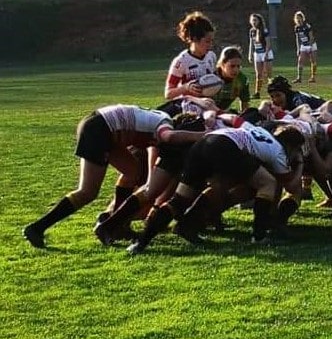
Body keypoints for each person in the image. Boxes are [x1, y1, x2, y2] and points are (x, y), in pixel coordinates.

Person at [22, 105, 205, 248]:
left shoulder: (159, 121)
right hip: (99, 129)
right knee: (87, 192)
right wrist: (202, 136)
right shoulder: (165, 124)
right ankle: (37, 227)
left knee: (133, 172)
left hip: (102, 126)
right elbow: (170, 137)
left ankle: (116, 225)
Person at [125, 124, 305, 254]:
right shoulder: (278, 150)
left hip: (204, 144)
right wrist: (300, 164)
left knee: (179, 200)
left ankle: (142, 243)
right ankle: (259, 236)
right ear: (290, 146)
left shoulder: (261, 132)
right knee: (268, 184)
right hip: (225, 147)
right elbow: (290, 184)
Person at [165, 11, 217, 100]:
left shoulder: (211, 57)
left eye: (212, 41)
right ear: (195, 39)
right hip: (188, 106)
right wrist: (185, 87)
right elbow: (168, 94)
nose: (210, 45)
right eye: (207, 41)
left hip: (208, 104)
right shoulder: (181, 61)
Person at [211, 45, 251, 112]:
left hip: (225, 113)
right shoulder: (211, 76)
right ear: (223, 64)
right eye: (232, 66)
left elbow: (245, 103)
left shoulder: (242, 80)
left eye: (238, 66)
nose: (236, 70)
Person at [248, 13, 274, 99]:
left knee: (268, 74)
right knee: (258, 75)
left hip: (265, 53)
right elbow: (251, 44)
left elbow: (268, 43)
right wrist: (250, 54)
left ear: (259, 21)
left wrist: (266, 54)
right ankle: (257, 93)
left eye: (255, 20)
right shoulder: (252, 31)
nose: (253, 22)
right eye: (252, 20)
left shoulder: (264, 30)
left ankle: (272, 92)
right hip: (257, 54)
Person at [292, 11, 318, 84]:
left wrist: (310, 46)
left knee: (313, 61)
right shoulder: (296, 28)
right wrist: (298, 48)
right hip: (303, 45)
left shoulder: (307, 26)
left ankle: (313, 77)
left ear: (302, 18)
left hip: (311, 45)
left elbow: (311, 37)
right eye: (297, 18)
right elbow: (297, 38)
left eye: (299, 18)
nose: (298, 20)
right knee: (300, 61)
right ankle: (299, 78)